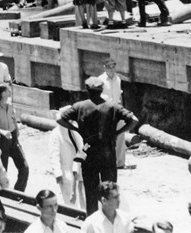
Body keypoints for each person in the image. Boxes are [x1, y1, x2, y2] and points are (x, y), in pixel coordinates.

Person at [57, 77, 138, 215]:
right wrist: (117, 132)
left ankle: (92, 220)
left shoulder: (79, 106)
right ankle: (111, 218)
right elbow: (134, 120)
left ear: (87, 90)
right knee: (110, 190)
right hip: (107, 153)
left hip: (89, 153)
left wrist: (76, 129)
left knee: (91, 192)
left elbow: (60, 119)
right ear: (101, 90)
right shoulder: (112, 106)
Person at [0, 83, 29, 191]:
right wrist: (1, 131)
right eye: (8, 90)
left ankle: (18, 191)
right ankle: (2, 194)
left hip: (13, 139)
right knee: (2, 170)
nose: (10, 91)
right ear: (3, 93)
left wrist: (17, 130)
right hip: (1, 141)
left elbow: (13, 118)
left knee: (24, 168)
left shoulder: (10, 105)